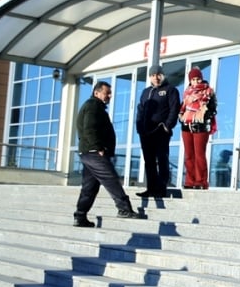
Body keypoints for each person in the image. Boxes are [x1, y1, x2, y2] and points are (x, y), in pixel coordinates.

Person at [73, 82, 143, 226]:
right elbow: (89, 128)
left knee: (89, 187)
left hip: (88, 152)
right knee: (111, 178)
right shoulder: (93, 106)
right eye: (107, 93)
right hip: (93, 152)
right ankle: (124, 209)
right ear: (96, 93)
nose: (109, 96)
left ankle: (80, 216)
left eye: (110, 93)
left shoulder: (94, 106)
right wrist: (97, 147)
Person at [135, 64, 180, 198]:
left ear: (162, 75)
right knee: (149, 161)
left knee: (162, 159)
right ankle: (151, 188)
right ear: (150, 77)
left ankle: (161, 188)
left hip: (161, 131)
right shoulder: (145, 92)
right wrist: (139, 128)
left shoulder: (170, 90)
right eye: (153, 75)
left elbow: (174, 109)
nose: (156, 78)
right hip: (145, 132)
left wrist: (168, 125)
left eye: (158, 74)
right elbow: (140, 110)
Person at [179, 67, 217, 190]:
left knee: (199, 154)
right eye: (193, 79)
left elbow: (212, 109)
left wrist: (204, 113)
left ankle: (201, 181)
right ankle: (190, 181)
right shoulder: (187, 92)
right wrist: (181, 115)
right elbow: (183, 108)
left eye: (198, 79)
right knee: (189, 155)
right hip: (186, 125)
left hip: (200, 125)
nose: (196, 82)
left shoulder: (208, 91)